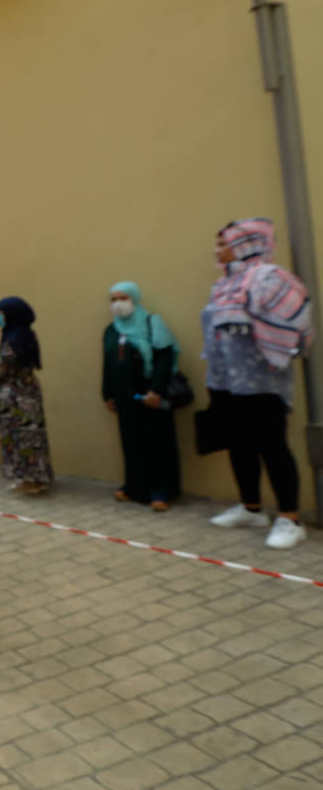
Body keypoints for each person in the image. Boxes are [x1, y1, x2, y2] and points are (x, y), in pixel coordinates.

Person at [202, 217, 313, 549]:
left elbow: (295, 321)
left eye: (223, 244)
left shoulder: (269, 278)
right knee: (239, 444)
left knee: (272, 445)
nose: (216, 250)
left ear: (244, 245)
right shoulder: (224, 284)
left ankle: (290, 519)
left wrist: (273, 345)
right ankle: (251, 508)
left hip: (262, 381)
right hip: (226, 380)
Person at [102, 282, 181, 511]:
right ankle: (134, 487)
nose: (118, 303)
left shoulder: (151, 322)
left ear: (134, 299)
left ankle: (162, 491)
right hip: (124, 395)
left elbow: (165, 357)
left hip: (149, 393)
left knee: (157, 442)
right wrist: (107, 393)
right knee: (131, 441)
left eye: (123, 297)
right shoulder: (111, 330)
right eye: (113, 299)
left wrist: (156, 389)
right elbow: (107, 364)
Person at [0, 297, 51, 493]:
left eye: (1, 314)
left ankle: (30, 480)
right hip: (28, 390)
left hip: (17, 395)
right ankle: (38, 478)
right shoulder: (25, 334)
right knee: (33, 436)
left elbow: (4, 364)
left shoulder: (13, 338)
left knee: (22, 436)